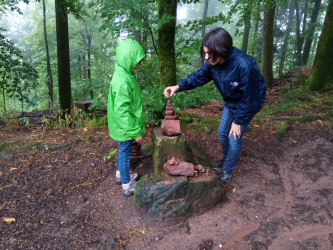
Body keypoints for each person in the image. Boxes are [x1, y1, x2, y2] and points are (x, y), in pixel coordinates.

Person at [163, 27, 266, 182]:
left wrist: (237, 122)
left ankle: (227, 171)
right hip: (232, 101)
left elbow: (249, 97)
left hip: (249, 102)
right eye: (205, 52)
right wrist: (178, 86)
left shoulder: (244, 65)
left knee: (234, 137)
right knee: (222, 131)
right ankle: (226, 159)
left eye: (208, 53)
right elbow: (199, 76)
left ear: (221, 50)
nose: (205, 57)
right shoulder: (213, 62)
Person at [107, 38, 145, 197]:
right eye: (137, 61)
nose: (139, 65)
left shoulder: (124, 73)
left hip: (122, 125)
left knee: (123, 152)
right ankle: (127, 185)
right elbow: (122, 111)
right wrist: (135, 131)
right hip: (124, 126)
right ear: (128, 60)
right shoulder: (122, 80)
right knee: (125, 154)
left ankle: (120, 175)